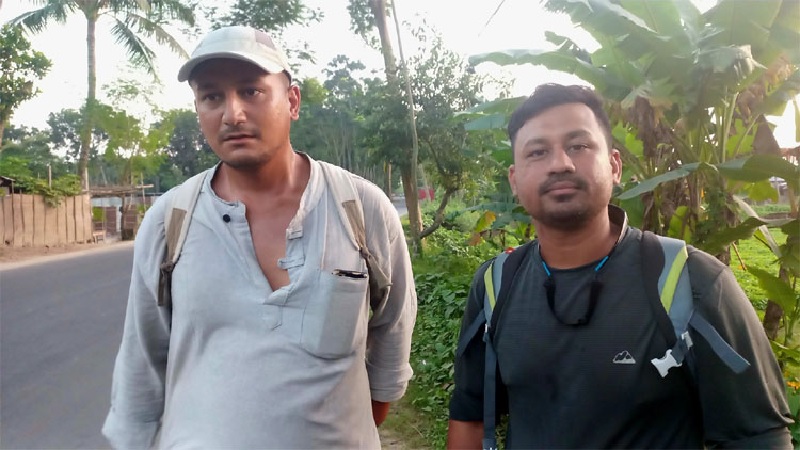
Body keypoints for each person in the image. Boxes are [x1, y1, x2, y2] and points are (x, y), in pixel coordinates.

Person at [102, 25, 417, 449]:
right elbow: (142, 360)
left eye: (251, 91)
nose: (232, 114)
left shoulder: (359, 208)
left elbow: (392, 330)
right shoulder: (170, 220)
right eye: (212, 97)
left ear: (292, 101)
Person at [447, 83, 793, 449]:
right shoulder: (496, 283)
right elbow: (470, 414)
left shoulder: (690, 281)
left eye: (578, 146)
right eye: (537, 152)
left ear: (614, 166)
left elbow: (759, 437)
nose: (560, 163)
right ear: (515, 181)